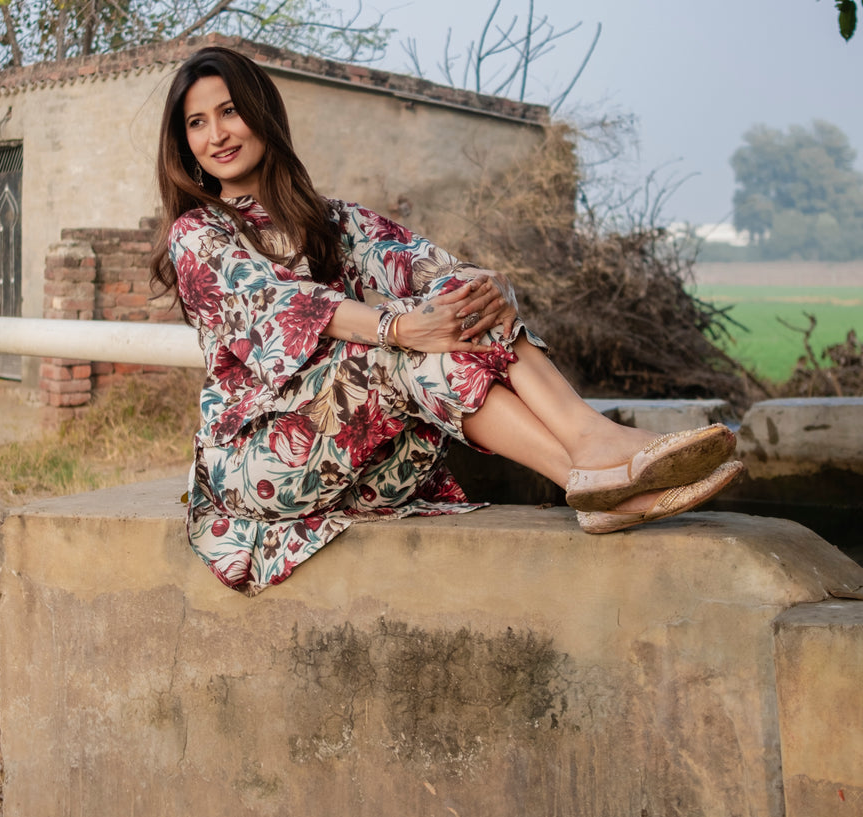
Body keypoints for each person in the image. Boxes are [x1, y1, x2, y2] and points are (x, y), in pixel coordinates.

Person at [151, 47, 743, 594]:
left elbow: (435, 268)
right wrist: (397, 328)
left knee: (462, 295)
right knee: (402, 338)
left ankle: (591, 460)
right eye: (197, 123)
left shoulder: (333, 221)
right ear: (184, 143)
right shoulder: (200, 234)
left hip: (369, 460)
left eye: (229, 112)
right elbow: (282, 306)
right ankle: (588, 465)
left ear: (262, 114)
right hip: (263, 461)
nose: (217, 134)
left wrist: (491, 288)